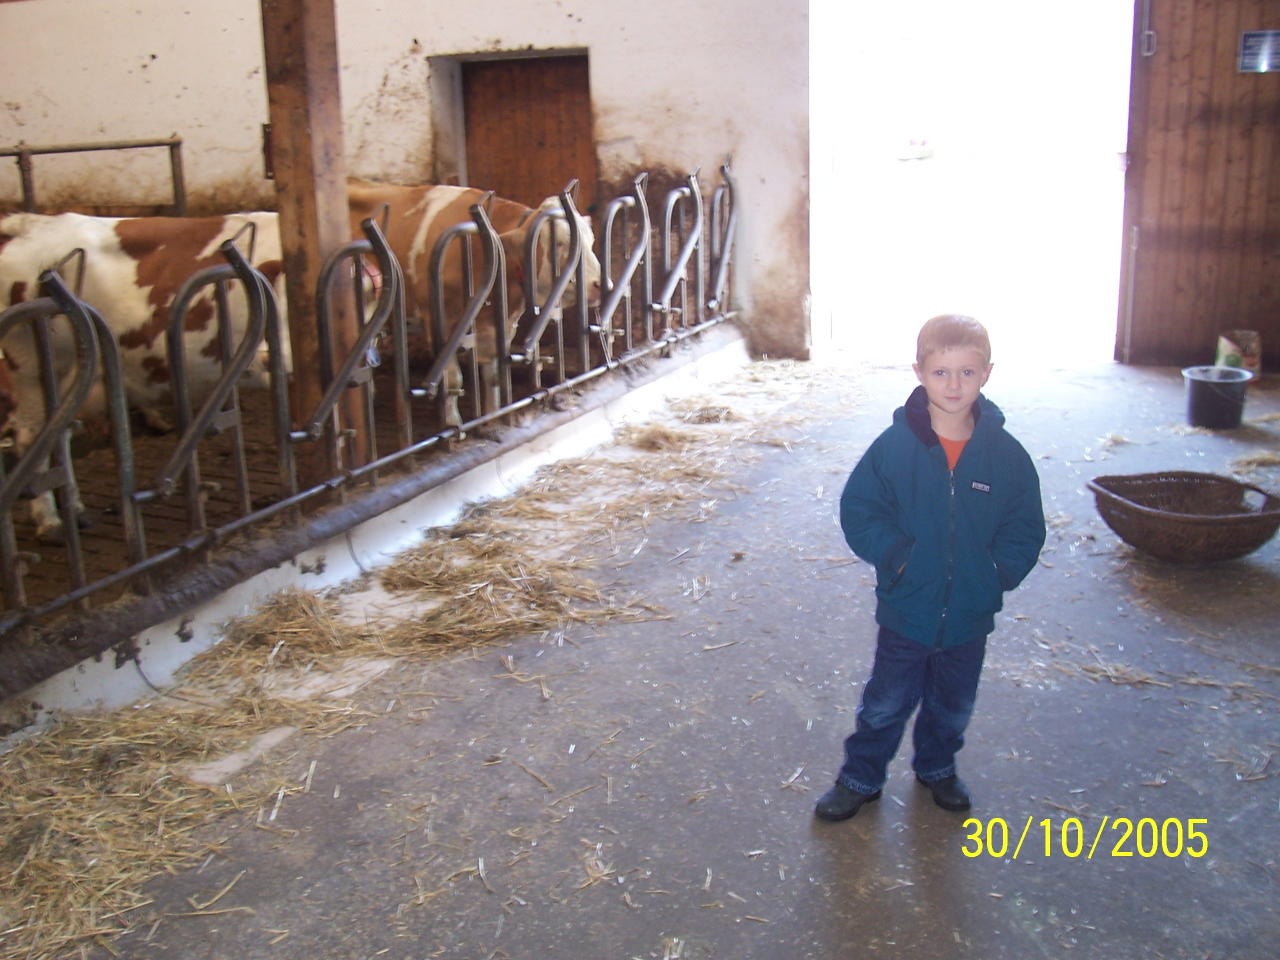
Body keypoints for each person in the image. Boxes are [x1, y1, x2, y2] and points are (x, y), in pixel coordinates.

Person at [815, 315, 1045, 821]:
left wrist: (997, 573)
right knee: (885, 703)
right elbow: (859, 509)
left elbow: (1025, 524)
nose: (954, 385)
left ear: (987, 373)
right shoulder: (894, 448)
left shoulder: (1005, 456)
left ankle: (938, 768)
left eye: (967, 371)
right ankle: (861, 776)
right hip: (907, 607)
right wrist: (896, 556)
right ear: (918, 371)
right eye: (942, 372)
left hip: (969, 614)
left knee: (952, 705)